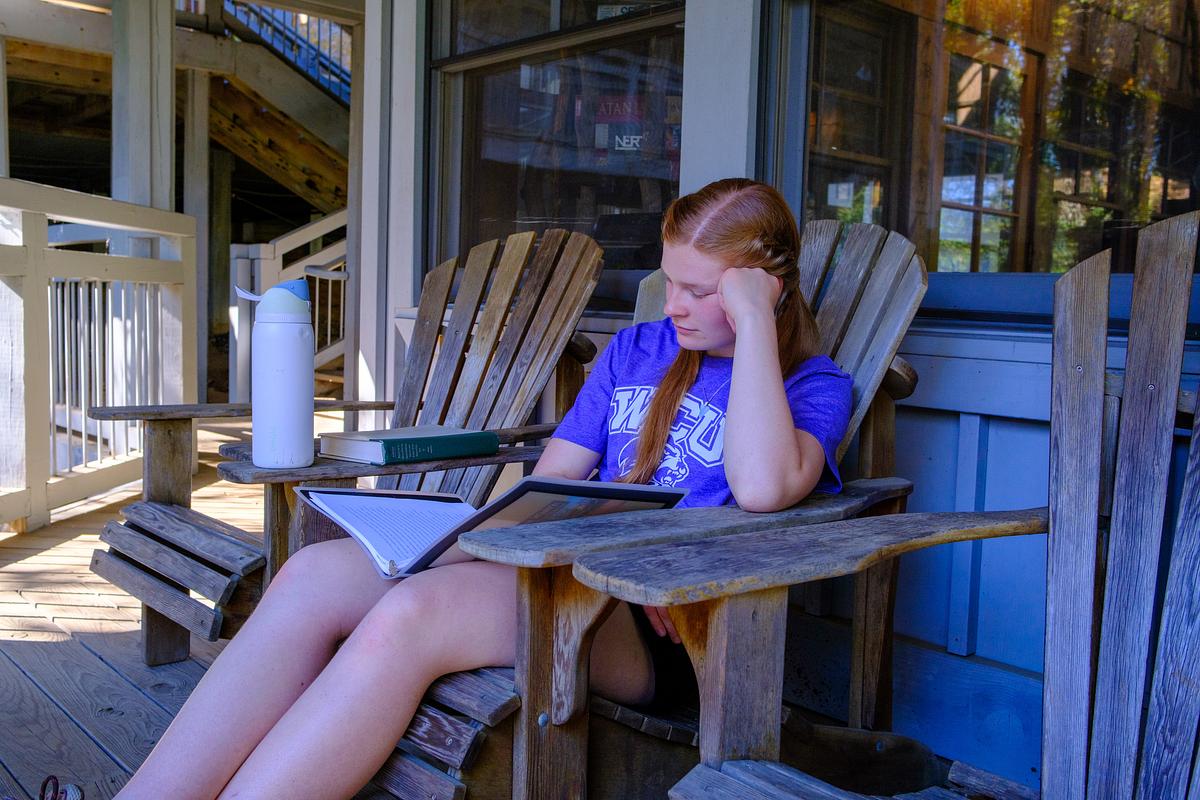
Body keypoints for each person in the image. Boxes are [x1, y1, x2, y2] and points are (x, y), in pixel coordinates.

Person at [115, 178, 852, 799]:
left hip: (659, 632)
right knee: (313, 574)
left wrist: (755, 324)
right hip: (557, 569)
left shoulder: (814, 387)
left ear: (763, 289)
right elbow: (556, 478)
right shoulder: (637, 350)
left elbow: (761, 489)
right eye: (671, 283)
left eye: (699, 291)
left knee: (412, 615)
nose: (673, 307)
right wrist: (486, 531)